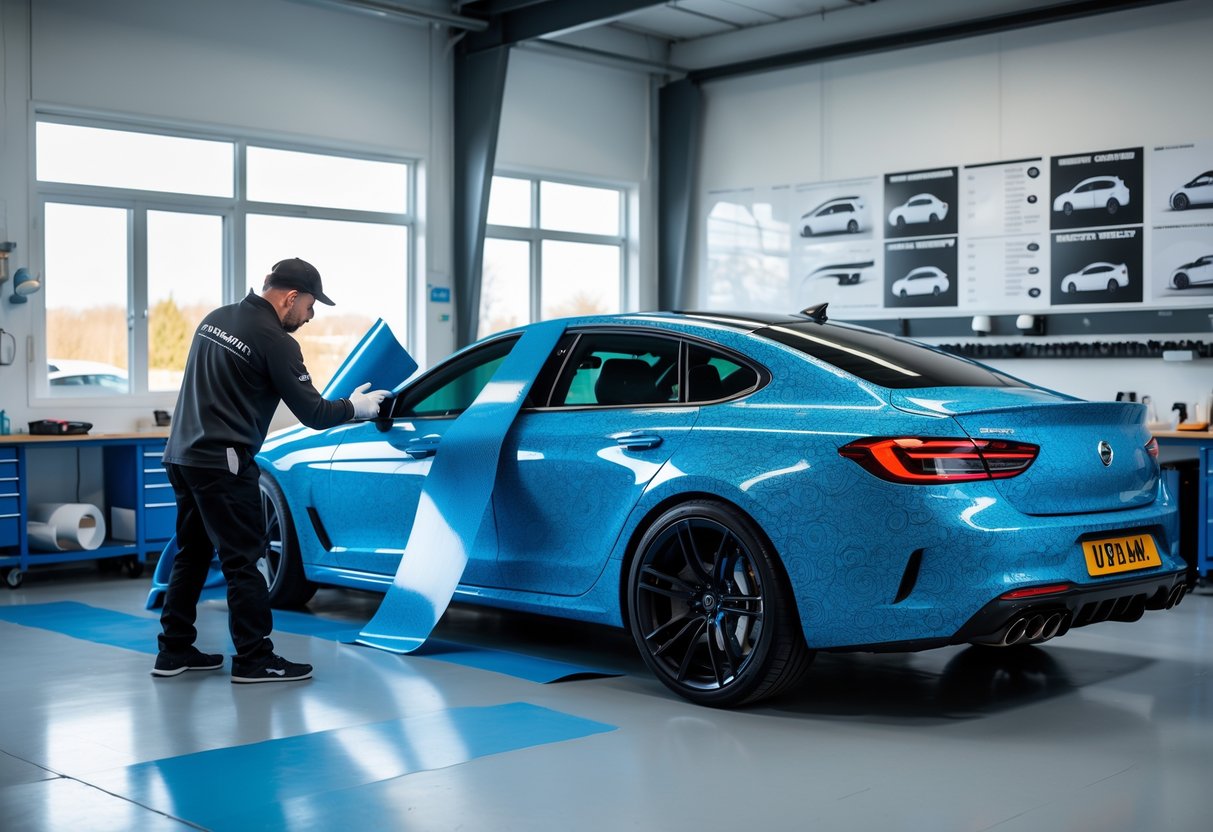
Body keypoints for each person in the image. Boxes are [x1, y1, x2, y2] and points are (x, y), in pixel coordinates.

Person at [152, 258, 388, 683]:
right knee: (244, 560)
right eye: (311, 306)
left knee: (193, 552)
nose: (311, 316)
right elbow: (314, 413)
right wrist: (357, 407)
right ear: (291, 297)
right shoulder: (274, 339)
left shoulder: (216, 319)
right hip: (222, 462)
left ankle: (174, 650)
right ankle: (254, 659)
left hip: (182, 455)